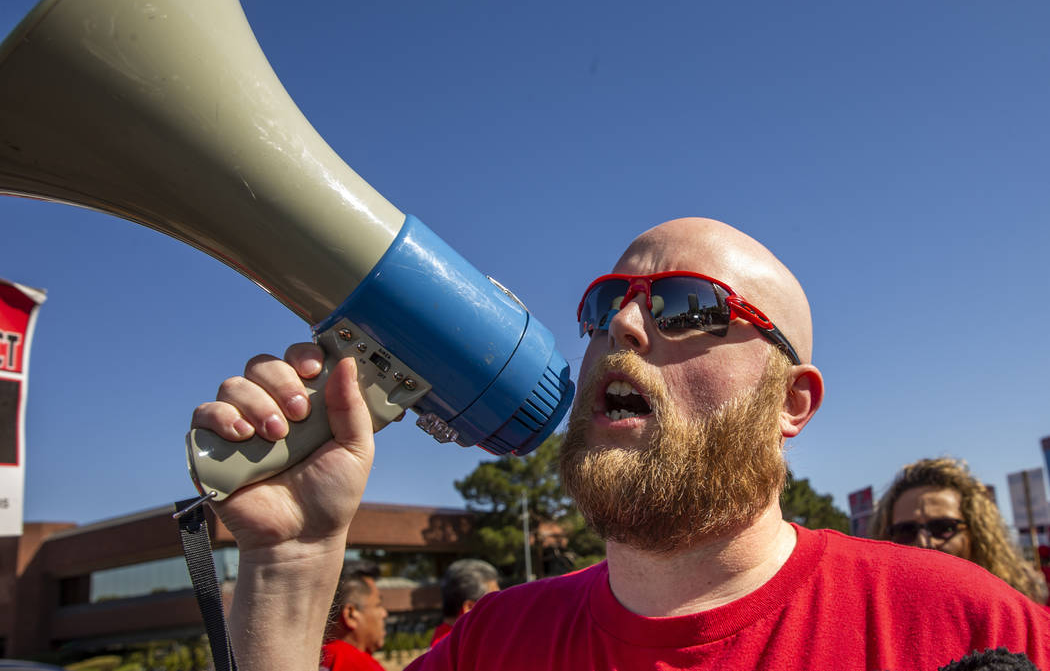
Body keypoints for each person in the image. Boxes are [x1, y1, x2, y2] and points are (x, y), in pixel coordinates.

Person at [190, 217, 1050, 671]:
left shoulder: (963, 623)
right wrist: (293, 561)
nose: (624, 326)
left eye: (685, 305)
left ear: (793, 401)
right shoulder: (496, 644)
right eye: (605, 306)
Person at [870, 457, 1049, 604]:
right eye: (906, 530)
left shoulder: (1025, 619)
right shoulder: (875, 627)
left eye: (943, 527)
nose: (924, 542)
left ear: (976, 533)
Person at [319, 561, 388, 671]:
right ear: (351, 615)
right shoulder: (359, 664)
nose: (384, 613)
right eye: (378, 605)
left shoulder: (310, 658)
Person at [429, 559, 499, 647]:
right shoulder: (465, 648)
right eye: (495, 603)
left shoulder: (444, 643)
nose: (500, 609)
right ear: (470, 608)